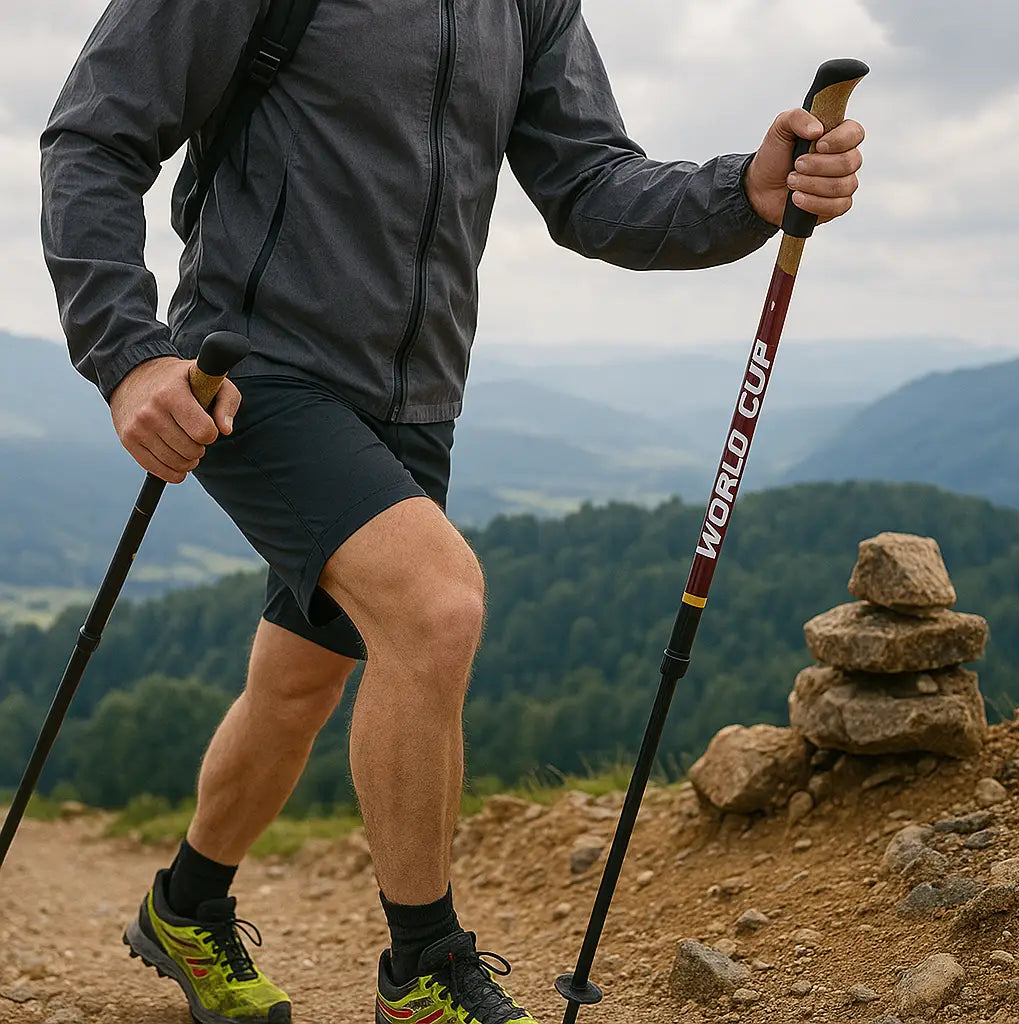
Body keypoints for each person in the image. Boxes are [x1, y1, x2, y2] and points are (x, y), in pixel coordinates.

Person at [40, 0, 865, 1019]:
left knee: (303, 680)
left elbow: (589, 182)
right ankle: (423, 967)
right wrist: (126, 353)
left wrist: (742, 188)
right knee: (435, 606)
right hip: (257, 370)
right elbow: (93, 134)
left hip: (418, 396)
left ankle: (184, 903)